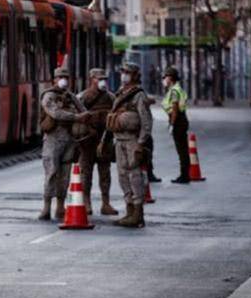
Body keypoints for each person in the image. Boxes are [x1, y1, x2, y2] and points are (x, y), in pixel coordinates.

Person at [39, 67, 90, 220]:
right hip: (53, 140)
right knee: (51, 173)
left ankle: (60, 207)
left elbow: (84, 111)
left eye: (66, 77)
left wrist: (85, 117)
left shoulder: (71, 96)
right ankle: (46, 207)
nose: (64, 80)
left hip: (69, 139)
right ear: (54, 79)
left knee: (66, 175)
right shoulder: (49, 96)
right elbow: (55, 113)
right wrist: (77, 117)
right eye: (60, 77)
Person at [107, 63, 152, 228]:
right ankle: (129, 210)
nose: (124, 75)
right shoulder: (120, 93)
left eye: (127, 73)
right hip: (119, 140)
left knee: (134, 175)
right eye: (123, 72)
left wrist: (141, 142)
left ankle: (138, 213)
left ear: (134, 75)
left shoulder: (138, 95)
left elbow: (146, 120)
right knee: (122, 175)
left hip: (132, 140)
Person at [77, 68, 118, 216]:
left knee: (105, 173)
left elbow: (116, 115)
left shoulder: (111, 98)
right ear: (91, 79)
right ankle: (86, 202)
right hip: (88, 141)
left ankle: (105, 203)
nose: (102, 82)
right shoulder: (83, 97)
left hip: (105, 140)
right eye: (98, 79)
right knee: (86, 173)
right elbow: (77, 118)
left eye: (103, 79)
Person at [162, 67, 190, 184]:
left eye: (166, 77)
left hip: (178, 121)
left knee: (181, 150)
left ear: (171, 78)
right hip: (182, 120)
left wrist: (172, 124)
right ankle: (185, 174)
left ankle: (184, 176)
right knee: (183, 149)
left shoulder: (174, 91)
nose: (164, 79)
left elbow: (174, 109)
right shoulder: (177, 89)